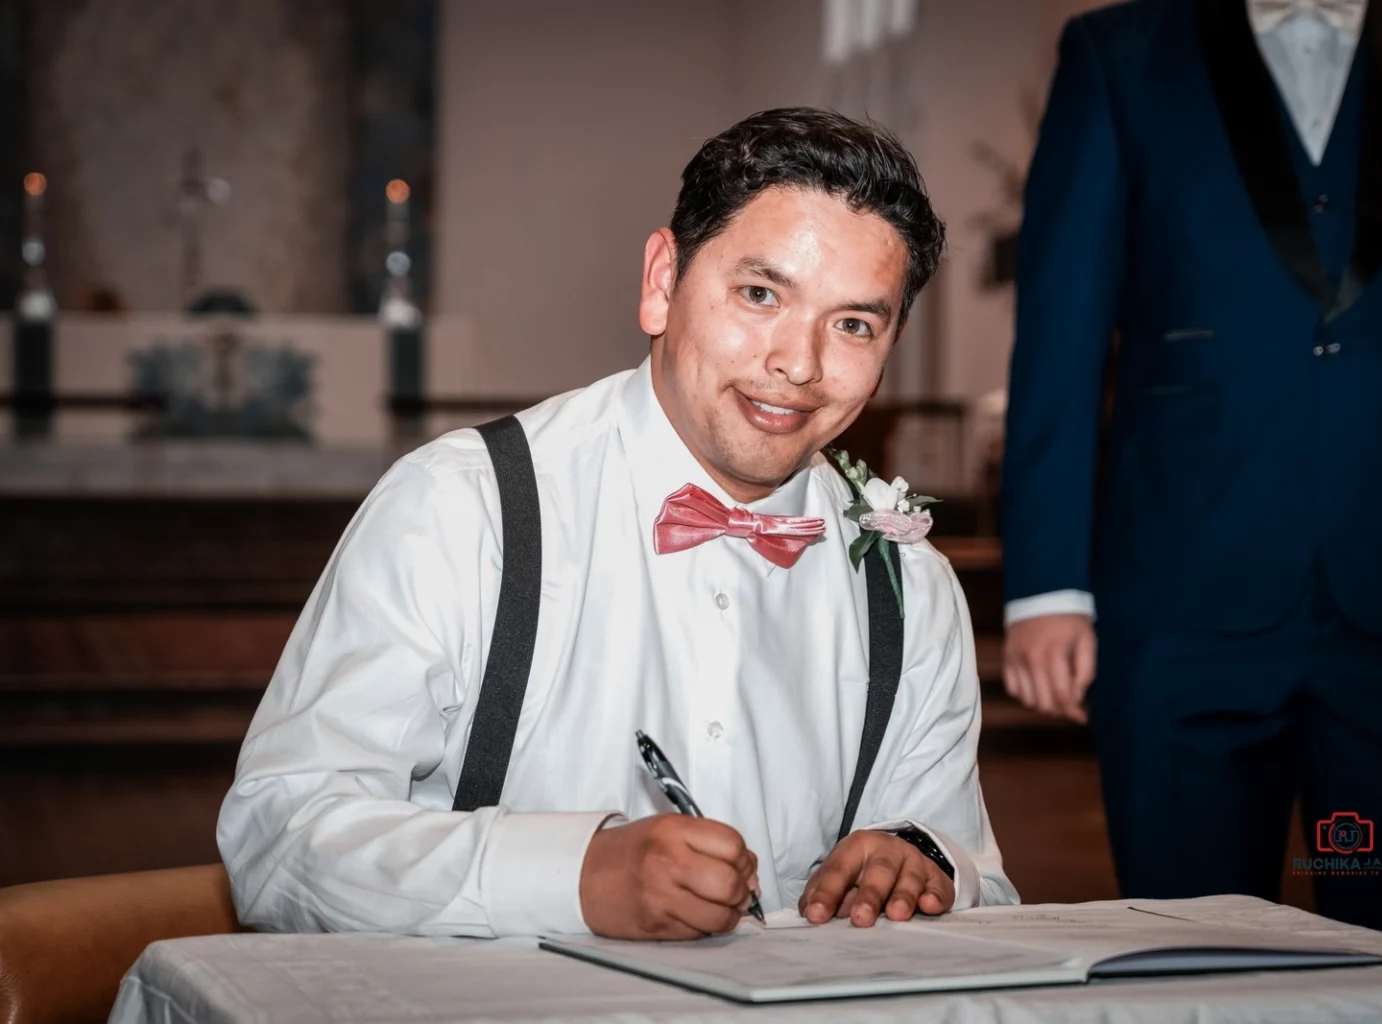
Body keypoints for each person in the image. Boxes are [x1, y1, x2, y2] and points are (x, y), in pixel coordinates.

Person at [218, 108, 1018, 941]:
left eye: (853, 323)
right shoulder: (462, 511)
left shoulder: (906, 584)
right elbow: (279, 839)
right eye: (759, 294)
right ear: (662, 282)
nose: (800, 363)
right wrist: (574, 876)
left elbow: (976, 871)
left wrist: (920, 861)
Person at [1001, 0, 1382, 947]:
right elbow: (1061, 331)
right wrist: (1047, 580)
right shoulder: (1120, 53)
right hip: (1179, 601)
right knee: (1191, 948)